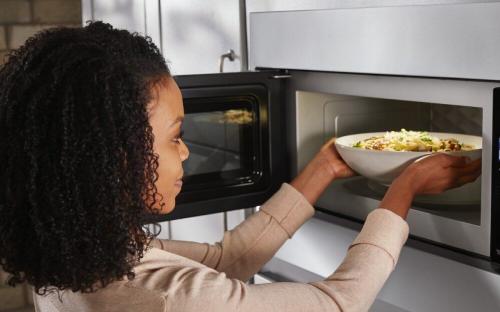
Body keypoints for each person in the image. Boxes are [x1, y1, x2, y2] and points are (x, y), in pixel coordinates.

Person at [0, 22, 481, 312]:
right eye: (175, 137)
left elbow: (224, 260)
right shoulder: (169, 299)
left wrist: (323, 170)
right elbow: (338, 302)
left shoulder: (83, 254)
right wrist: (406, 184)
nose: (186, 152)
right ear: (110, 155)